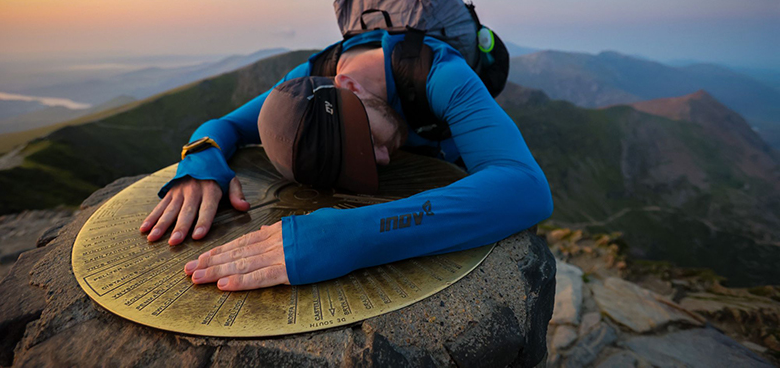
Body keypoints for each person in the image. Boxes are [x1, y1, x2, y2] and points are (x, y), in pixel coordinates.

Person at [140, 29, 553, 291]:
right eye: (362, 163)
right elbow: (224, 125)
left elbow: (526, 187)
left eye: (366, 138)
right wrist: (199, 166)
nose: (382, 160)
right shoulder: (300, 92)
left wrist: (349, 235)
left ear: (348, 85)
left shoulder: (442, 74)